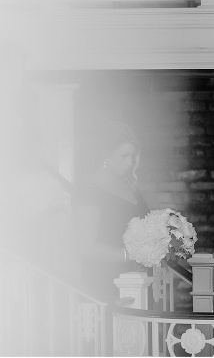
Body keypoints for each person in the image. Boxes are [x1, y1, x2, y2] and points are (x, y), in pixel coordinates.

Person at [73, 121, 149, 301]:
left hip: (135, 279)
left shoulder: (130, 187)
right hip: (103, 281)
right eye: (124, 156)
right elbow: (86, 247)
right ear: (106, 155)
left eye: (133, 156)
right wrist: (129, 255)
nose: (130, 162)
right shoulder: (90, 189)